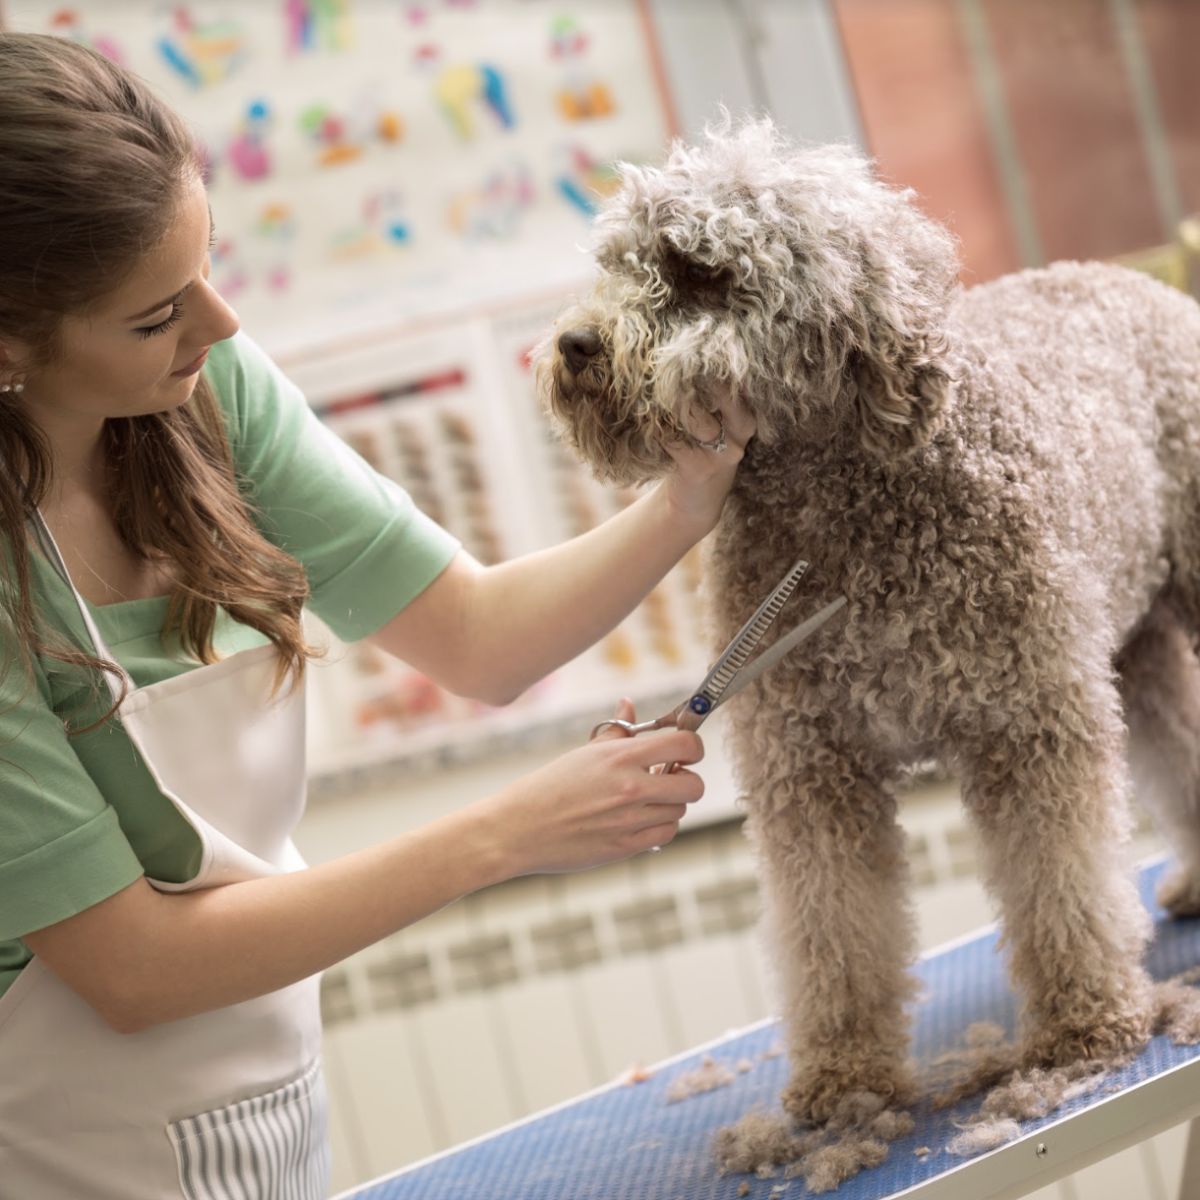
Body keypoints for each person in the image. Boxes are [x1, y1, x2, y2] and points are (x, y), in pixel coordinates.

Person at [0, 31, 755, 1199]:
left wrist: (688, 496)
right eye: (155, 315)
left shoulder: (204, 394)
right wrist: (508, 834)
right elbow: (131, 969)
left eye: (211, 266)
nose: (219, 324)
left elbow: (479, 638)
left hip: (269, 1094)